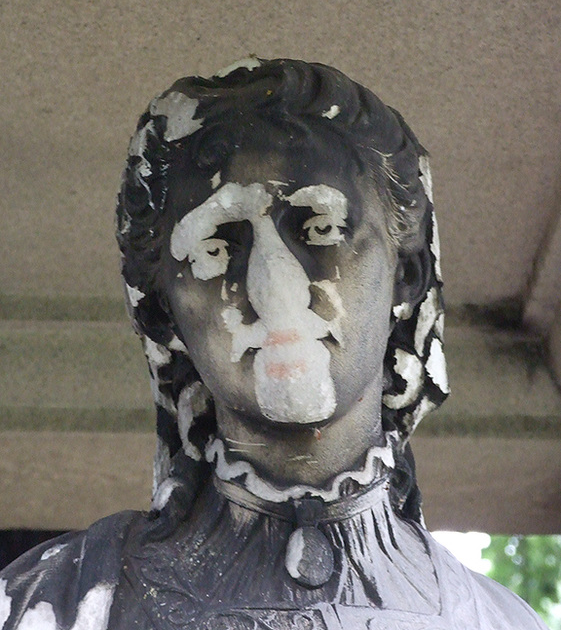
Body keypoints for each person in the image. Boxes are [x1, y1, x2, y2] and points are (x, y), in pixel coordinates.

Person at [0, 58, 547, 629]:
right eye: (216, 247)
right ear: (164, 314)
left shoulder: (498, 620)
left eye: (319, 229)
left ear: (406, 274)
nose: (273, 288)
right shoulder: (48, 603)